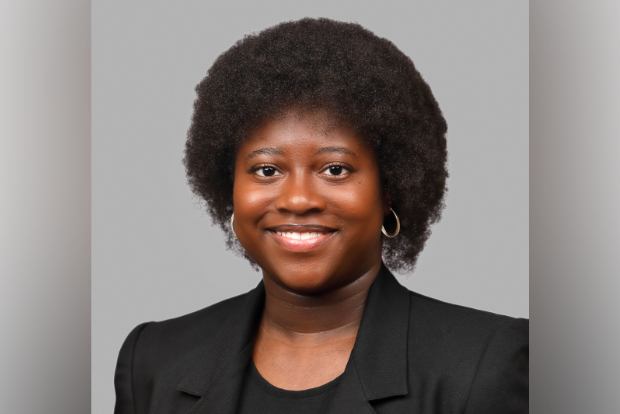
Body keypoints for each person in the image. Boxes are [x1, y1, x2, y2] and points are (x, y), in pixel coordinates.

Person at [114, 18, 528, 414]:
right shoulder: (153, 360)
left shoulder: (486, 364)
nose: (297, 200)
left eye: (335, 170)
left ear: (390, 189)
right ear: (229, 190)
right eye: (267, 170)